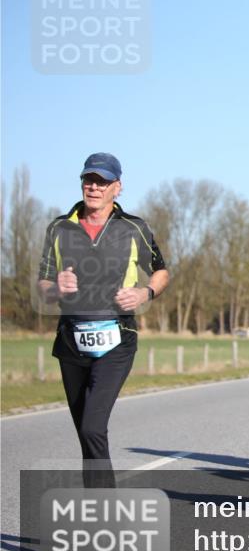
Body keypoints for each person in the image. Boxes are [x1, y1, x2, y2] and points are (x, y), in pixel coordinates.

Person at [37, 153, 169, 488]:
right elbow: (43, 283)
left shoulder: (134, 228)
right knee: (87, 435)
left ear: (117, 188)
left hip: (117, 339)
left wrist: (145, 294)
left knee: (92, 427)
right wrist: (56, 288)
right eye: (89, 180)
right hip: (71, 341)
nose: (94, 187)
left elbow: (162, 271)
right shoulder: (58, 228)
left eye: (102, 181)